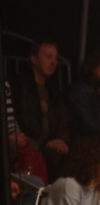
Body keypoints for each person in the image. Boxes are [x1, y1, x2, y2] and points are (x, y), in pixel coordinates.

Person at [9, 41, 71, 182]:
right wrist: (45, 143)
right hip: (32, 141)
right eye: (48, 57)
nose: (53, 62)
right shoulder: (20, 86)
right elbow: (24, 119)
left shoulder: (54, 90)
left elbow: (63, 119)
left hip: (49, 143)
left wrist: (62, 139)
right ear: (34, 59)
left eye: (55, 58)